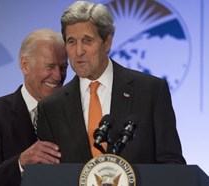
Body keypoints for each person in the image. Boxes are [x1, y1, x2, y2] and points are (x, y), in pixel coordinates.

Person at [37, 1, 186, 164]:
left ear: (107, 42)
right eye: (71, 41)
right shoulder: (51, 108)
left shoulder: (151, 92)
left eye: (87, 40)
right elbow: (49, 175)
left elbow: (171, 164)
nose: (78, 51)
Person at [0, 29, 67, 186]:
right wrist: (21, 161)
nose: (58, 76)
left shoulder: (75, 110)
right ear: (25, 66)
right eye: (50, 67)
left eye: (63, 67)